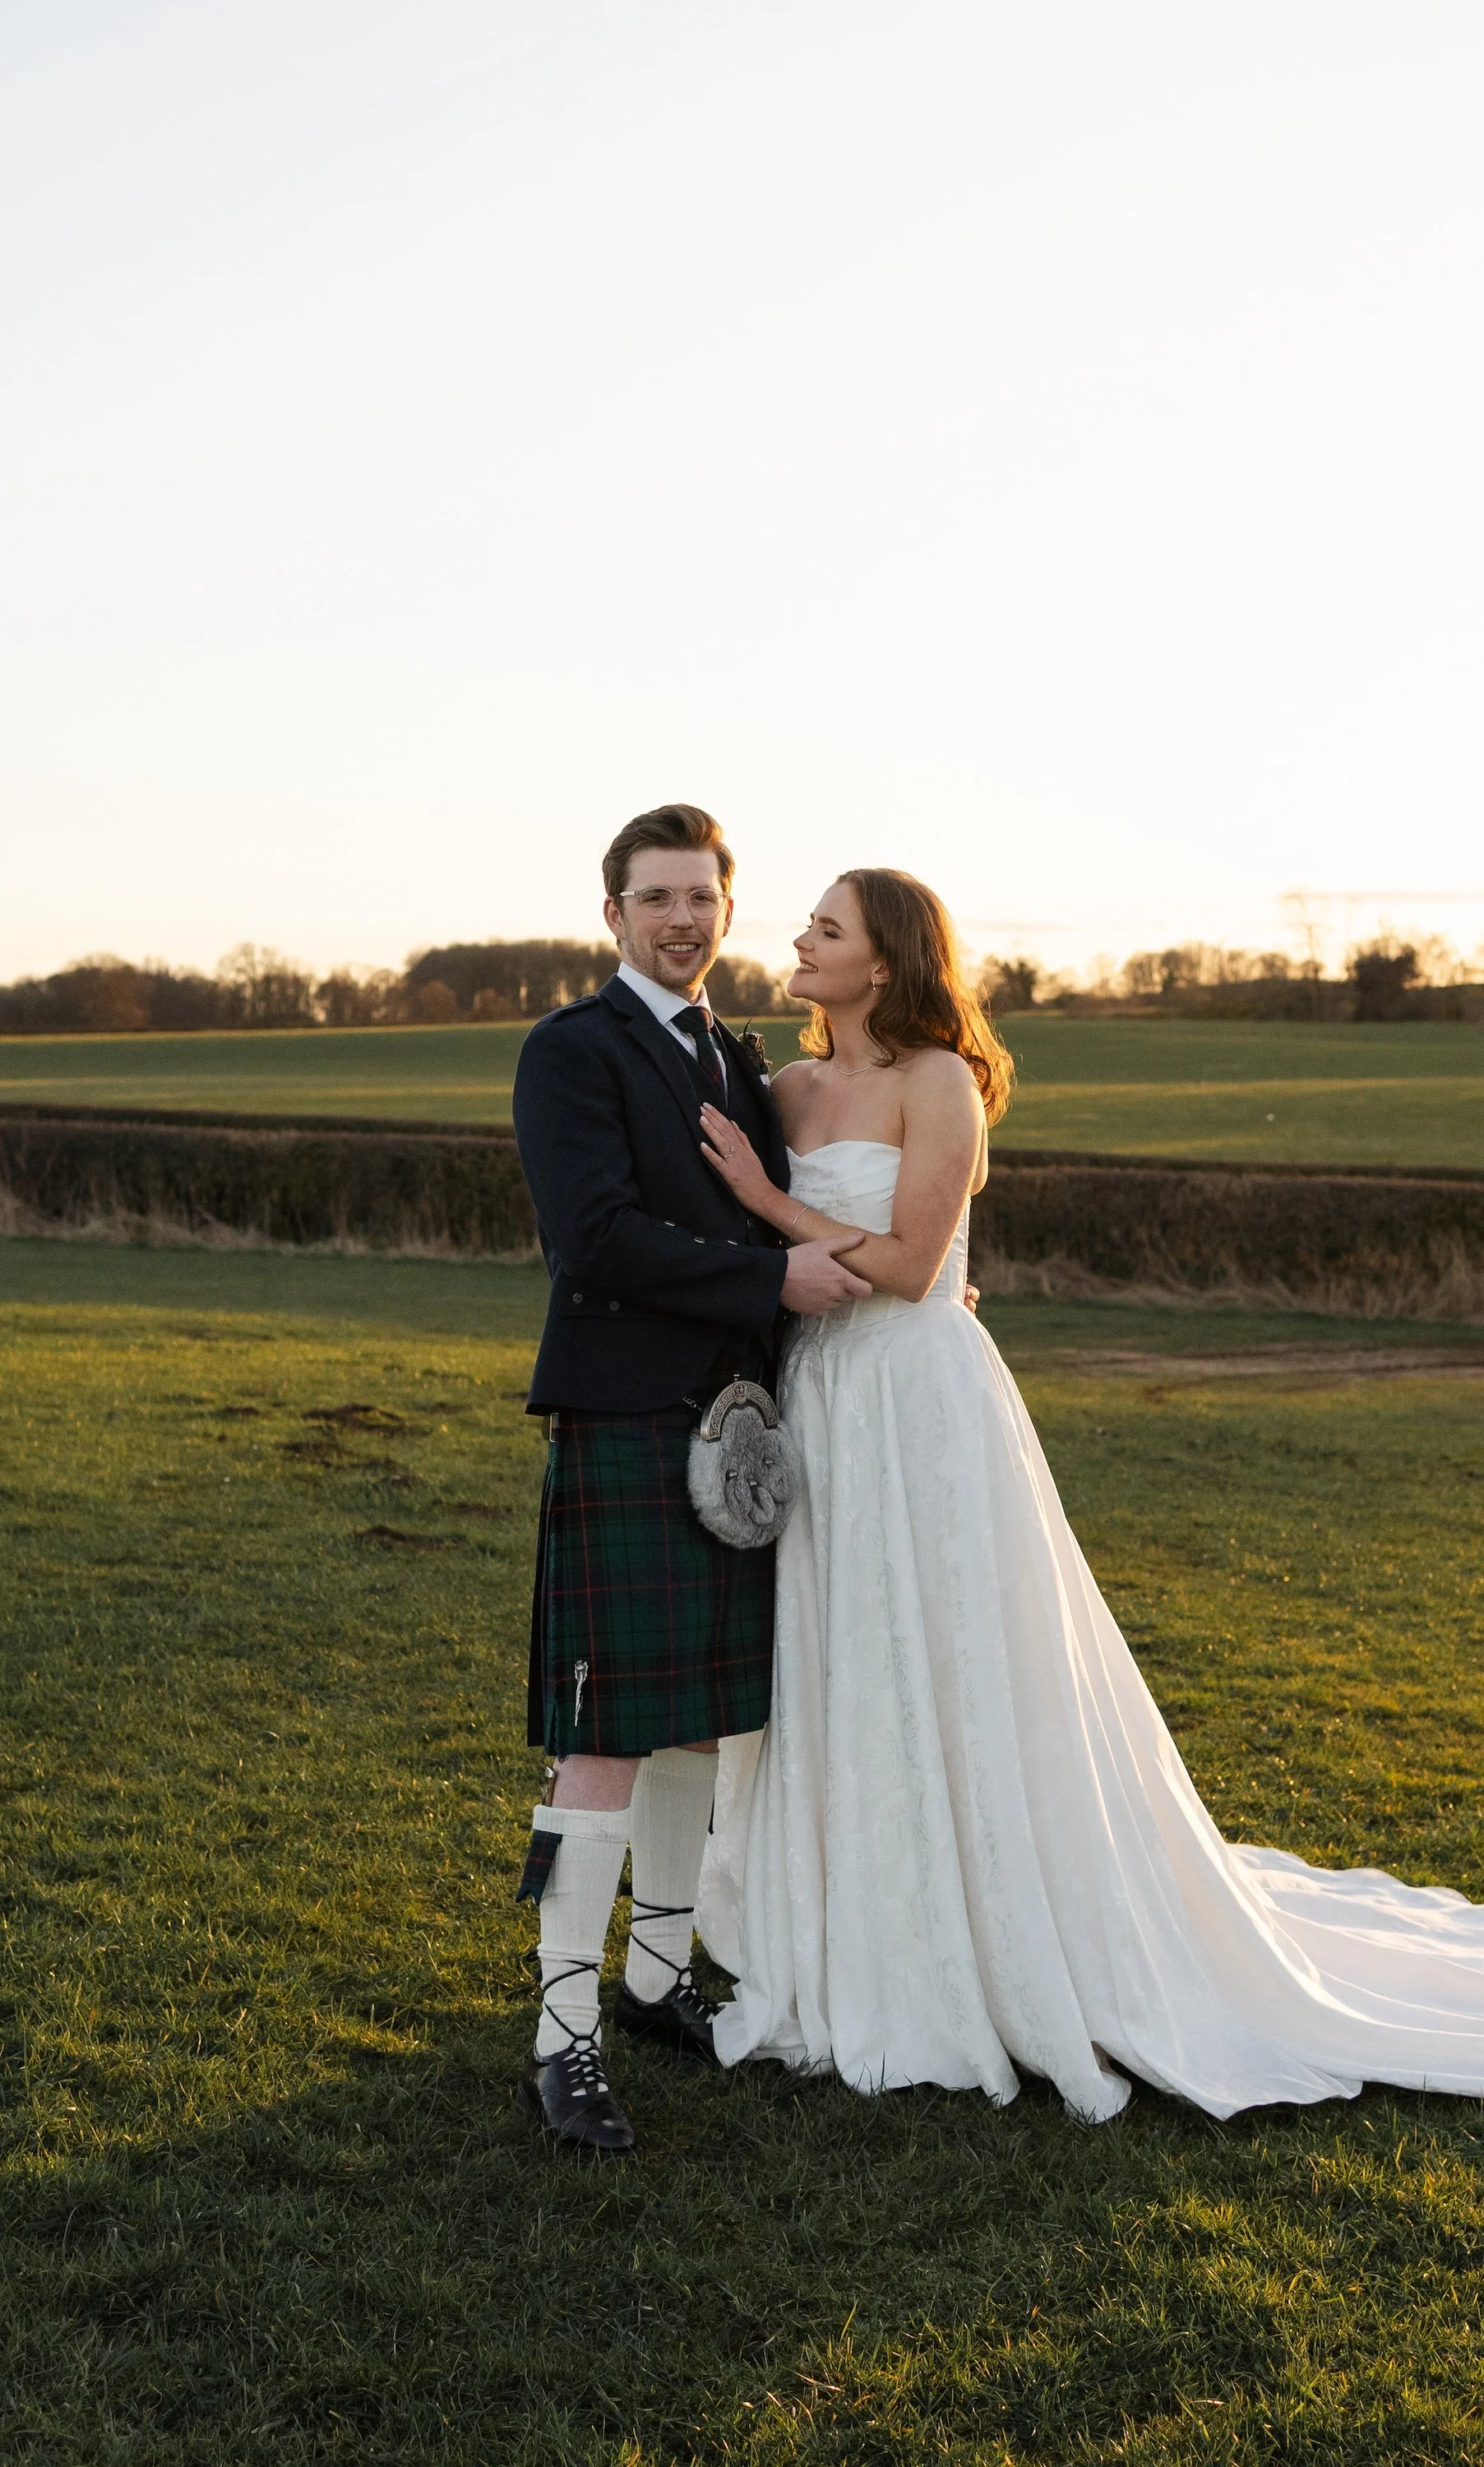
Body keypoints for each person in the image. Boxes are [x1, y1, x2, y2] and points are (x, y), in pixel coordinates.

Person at [695, 868, 1484, 2124]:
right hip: (823, 1396)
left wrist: (770, 1204)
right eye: (807, 924)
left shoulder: (940, 1084)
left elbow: (922, 1267)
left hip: (922, 1400)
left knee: (963, 1652)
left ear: (887, 961)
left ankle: (1002, 1921)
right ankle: (862, 1914)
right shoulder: (784, 1091)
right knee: (846, 1653)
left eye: (829, 928)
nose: (801, 941)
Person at [509, 803, 871, 2156]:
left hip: (738, 1432)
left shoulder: (739, 1053)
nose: (681, 920)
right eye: (655, 898)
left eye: (702, 898)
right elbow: (592, 1237)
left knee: (703, 1721)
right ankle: (562, 2041)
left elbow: (801, 1220)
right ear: (613, 916)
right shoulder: (571, 1050)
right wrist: (772, 1277)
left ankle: (656, 1982)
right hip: (623, 1415)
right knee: (605, 1731)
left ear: (727, 910)